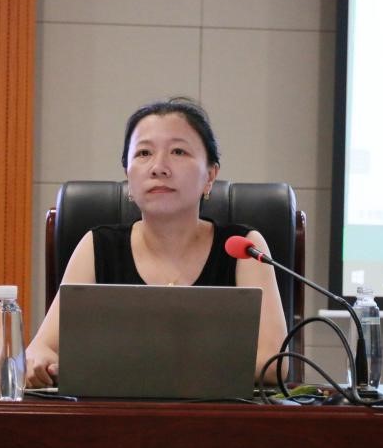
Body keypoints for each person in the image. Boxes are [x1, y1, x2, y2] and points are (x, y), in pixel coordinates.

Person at [25, 97, 288, 388]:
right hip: (115, 415)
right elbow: (41, 349)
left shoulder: (243, 248)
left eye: (178, 151)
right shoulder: (97, 246)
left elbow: (274, 363)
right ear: (128, 175)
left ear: (210, 176)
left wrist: (139, 365)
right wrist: (38, 360)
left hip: (218, 414)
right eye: (144, 153)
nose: (159, 167)